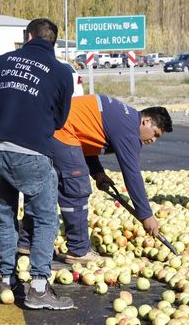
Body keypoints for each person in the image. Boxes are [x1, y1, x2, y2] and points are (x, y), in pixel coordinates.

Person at [0, 18, 75, 310]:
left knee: (5, 215)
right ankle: (39, 288)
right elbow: (60, 120)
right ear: (53, 42)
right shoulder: (61, 72)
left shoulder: (2, 61)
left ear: (28, 36)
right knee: (44, 218)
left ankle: (6, 280)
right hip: (32, 151)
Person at [18, 95, 173, 263]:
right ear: (146, 121)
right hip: (61, 132)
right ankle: (78, 250)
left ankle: (28, 242)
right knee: (76, 188)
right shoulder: (129, 130)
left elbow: (84, 138)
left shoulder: (124, 117)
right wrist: (146, 215)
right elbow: (132, 174)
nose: (153, 140)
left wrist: (98, 173)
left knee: (47, 189)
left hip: (53, 128)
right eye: (155, 134)